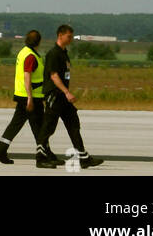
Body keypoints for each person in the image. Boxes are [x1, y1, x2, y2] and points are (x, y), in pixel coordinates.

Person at [35, 25, 103, 168]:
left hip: (63, 97)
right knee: (48, 126)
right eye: (69, 36)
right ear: (60, 35)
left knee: (73, 123)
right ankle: (41, 158)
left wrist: (65, 93)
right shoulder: (53, 53)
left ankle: (83, 157)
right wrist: (67, 92)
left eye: (72, 36)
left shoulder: (63, 53)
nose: (71, 39)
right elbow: (53, 76)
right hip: (55, 94)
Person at [0, 30, 44, 164]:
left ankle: (0, 151)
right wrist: (30, 98)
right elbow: (27, 76)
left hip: (23, 95)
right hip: (30, 97)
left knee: (17, 125)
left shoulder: (23, 52)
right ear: (39, 41)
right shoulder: (31, 56)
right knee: (39, 127)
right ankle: (44, 154)